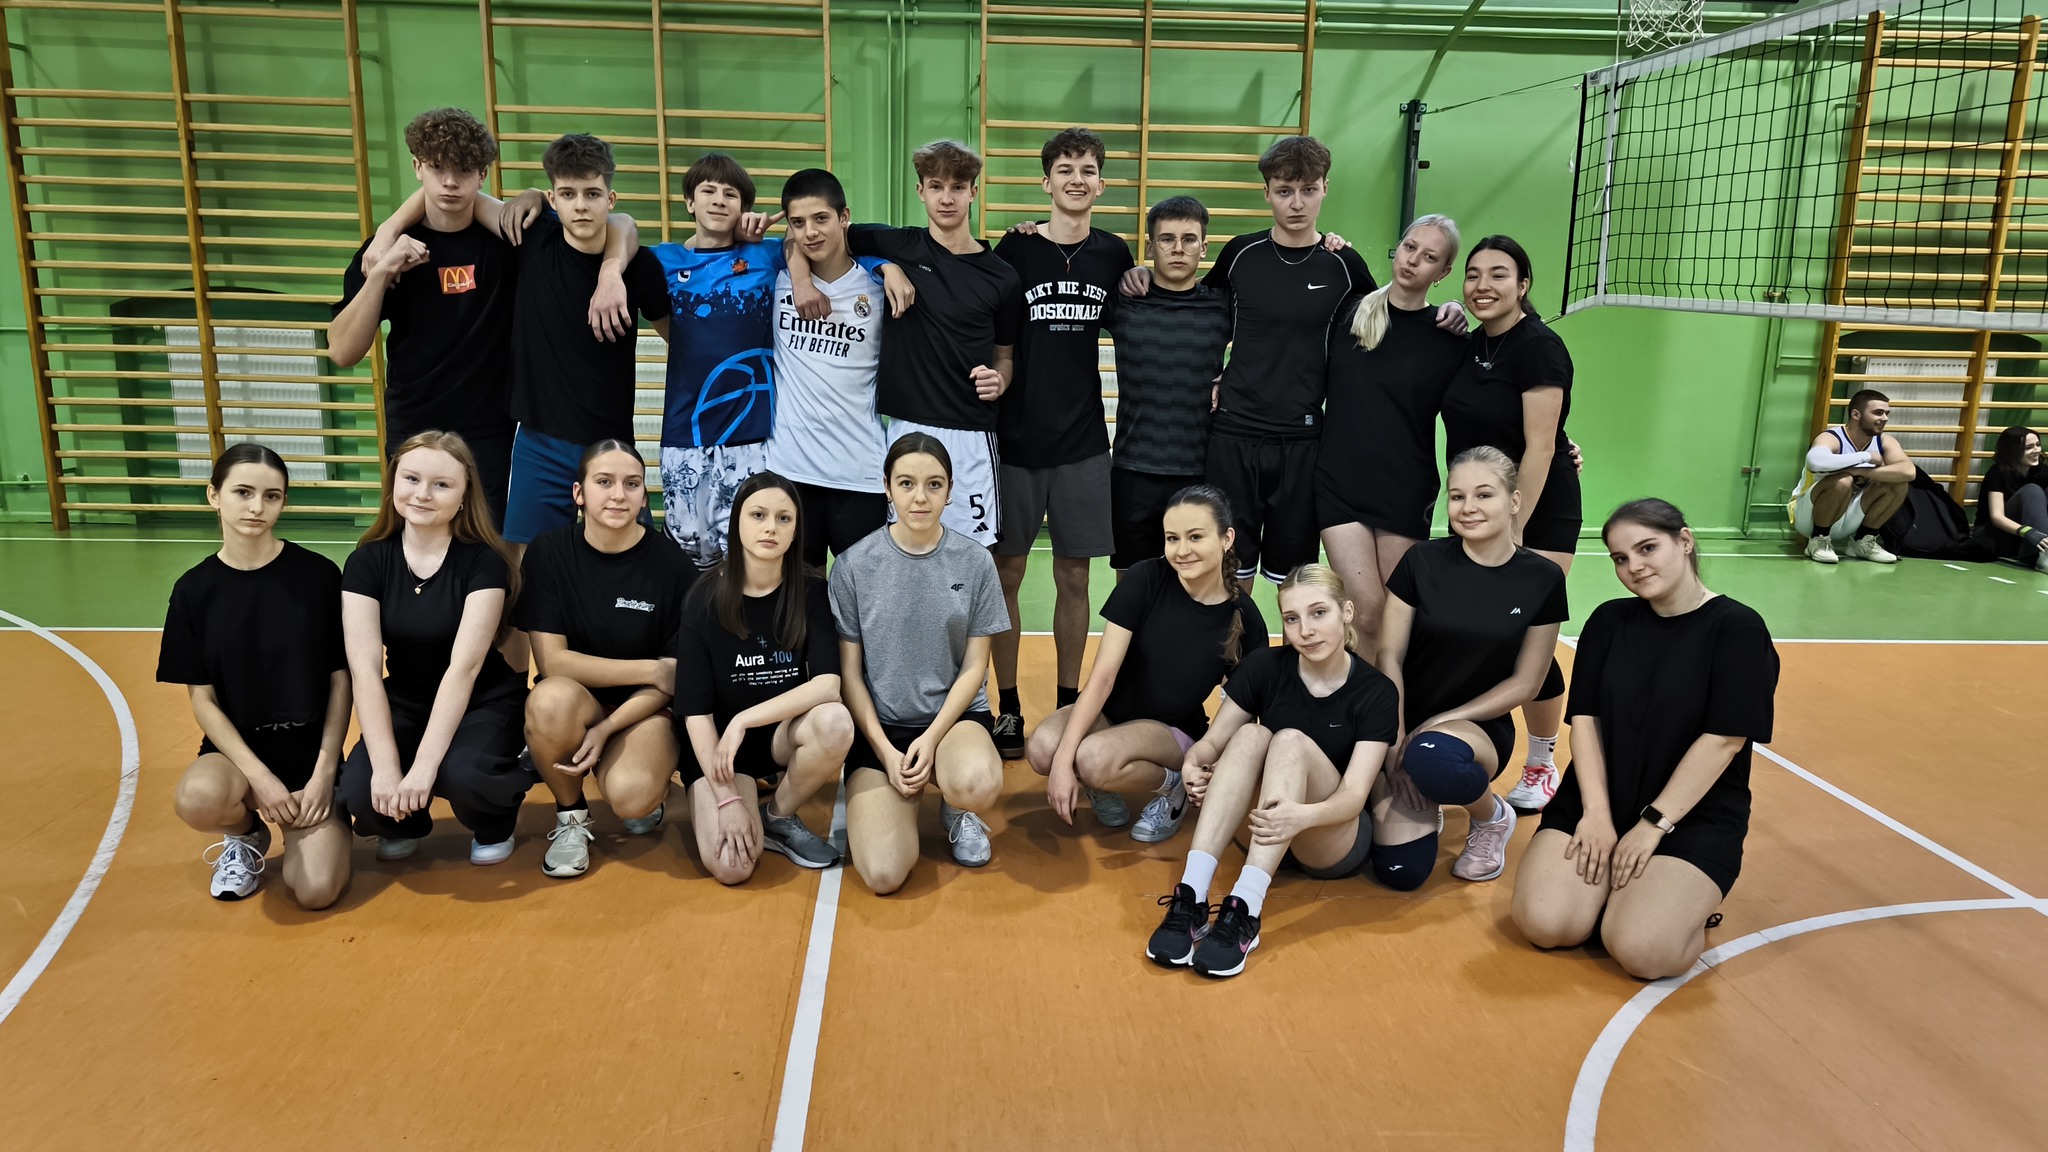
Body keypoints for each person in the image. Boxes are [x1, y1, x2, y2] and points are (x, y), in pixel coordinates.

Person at [1512, 499, 1779, 980]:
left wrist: (1653, 824)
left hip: (1689, 814)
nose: (1633, 566)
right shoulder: (1609, 621)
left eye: (1647, 548)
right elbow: (1585, 721)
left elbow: (1723, 741)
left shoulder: (1737, 629)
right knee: (1545, 924)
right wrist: (1596, 814)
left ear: (1685, 541)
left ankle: (1672, 905)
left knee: (1643, 951)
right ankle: (1619, 897)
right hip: (1600, 798)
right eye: (1620, 558)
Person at [1146, 564, 1398, 979]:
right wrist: (1194, 762)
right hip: (1264, 828)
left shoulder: (1376, 691)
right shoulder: (1264, 666)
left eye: (1319, 613)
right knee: (1249, 734)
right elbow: (1212, 743)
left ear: (1347, 612)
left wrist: (1301, 816)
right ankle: (1192, 895)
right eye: (1292, 619)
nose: (1306, 631)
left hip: (1328, 836)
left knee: (1288, 740)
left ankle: (1246, 907)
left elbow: (1354, 796)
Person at [986, 127, 1135, 758]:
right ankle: (1009, 706)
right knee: (1006, 574)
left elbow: (1147, 314)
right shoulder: (1016, 248)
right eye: (1065, 169)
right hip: (1015, 440)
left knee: (1075, 577)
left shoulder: (1115, 254)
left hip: (1083, 442)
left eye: (1088, 170)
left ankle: (1070, 702)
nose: (1077, 179)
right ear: (1046, 181)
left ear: (1101, 183)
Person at [797, 140, 1021, 549]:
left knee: (973, 554)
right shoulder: (896, 245)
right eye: (936, 186)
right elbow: (807, 238)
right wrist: (884, 265)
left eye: (957, 187)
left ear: (973, 191)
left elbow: (1004, 357)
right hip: (906, 427)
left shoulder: (1002, 277)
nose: (946, 198)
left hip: (971, 432)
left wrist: (1001, 379)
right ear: (921, 191)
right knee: (903, 550)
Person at [162, 444, 352, 907]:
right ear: (214, 495)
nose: (256, 507)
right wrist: (260, 779)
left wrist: (325, 772)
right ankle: (246, 834)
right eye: (243, 492)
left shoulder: (318, 576)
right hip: (238, 758)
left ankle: (314, 826)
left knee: (315, 891)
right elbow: (203, 699)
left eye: (271, 496)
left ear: (283, 501)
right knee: (197, 798)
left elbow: (341, 680)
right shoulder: (193, 591)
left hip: (309, 756)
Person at [1372, 448, 1568, 888]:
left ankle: (1491, 816)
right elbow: (1389, 656)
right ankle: (1428, 791)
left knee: (1432, 756)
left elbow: (1528, 682)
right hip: (1403, 721)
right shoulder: (1421, 561)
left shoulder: (1542, 578)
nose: (1468, 507)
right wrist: (1394, 739)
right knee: (1401, 872)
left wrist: (1443, 720)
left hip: (1476, 727)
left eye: (1484, 494)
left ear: (1514, 501)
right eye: (1457, 496)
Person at [1026, 484, 1267, 840]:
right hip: (1113, 713)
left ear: (1226, 538)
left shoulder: (1244, 617)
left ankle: (1173, 787)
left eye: (1196, 537)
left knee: (1092, 758)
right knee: (1043, 749)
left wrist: (1207, 763)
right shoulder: (1146, 578)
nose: (1182, 550)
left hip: (1172, 731)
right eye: (1172, 538)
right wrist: (1062, 762)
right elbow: (1103, 677)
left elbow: (1244, 709)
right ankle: (1101, 782)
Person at [338, 431, 534, 865]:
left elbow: (464, 669)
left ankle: (494, 820)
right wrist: (386, 769)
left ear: (464, 496)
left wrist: (425, 766)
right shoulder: (367, 561)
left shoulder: (484, 562)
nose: (423, 494)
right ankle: (402, 822)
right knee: (360, 789)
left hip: (482, 699)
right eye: (411, 479)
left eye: (442, 484)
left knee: (459, 774)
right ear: (393, 483)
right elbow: (365, 670)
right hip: (407, 699)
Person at [830, 432, 1011, 894]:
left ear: (949, 491)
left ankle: (956, 803)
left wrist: (931, 740)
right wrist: (886, 752)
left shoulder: (975, 563)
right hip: (882, 728)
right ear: (887, 488)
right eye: (906, 483)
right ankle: (896, 792)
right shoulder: (853, 566)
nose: (920, 497)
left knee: (977, 783)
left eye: (934, 485)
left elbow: (975, 667)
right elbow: (850, 674)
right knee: (884, 874)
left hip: (952, 723)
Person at [1440, 235, 1580, 813]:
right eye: (1473, 274)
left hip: (1536, 511)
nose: (1483, 286)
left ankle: (1543, 761)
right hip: (1477, 507)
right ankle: (1461, 750)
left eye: (1499, 274)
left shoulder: (1540, 346)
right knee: (1474, 634)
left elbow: (1542, 445)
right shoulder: (1471, 344)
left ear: (1523, 285)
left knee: (1528, 636)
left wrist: (1515, 526)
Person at [331, 108, 519, 528]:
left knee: (489, 545)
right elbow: (342, 351)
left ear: (482, 175)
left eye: (464, 170)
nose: (450, 182)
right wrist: (381, 272)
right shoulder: (383, 252)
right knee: (414, 540)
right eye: (437, 167)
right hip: (414, 423)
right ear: (417, 167)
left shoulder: (508, 246)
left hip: (490, 428)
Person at [518, 440, 697, 879]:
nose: (618, 495)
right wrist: (651, 668)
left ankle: (645, 777)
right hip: (576, 700)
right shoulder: (548, 553)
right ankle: (571, 816)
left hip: (642, 707)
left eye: (631, 484)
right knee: (548, 701)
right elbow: (554, 663)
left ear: (644, 497)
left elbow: (671, 682)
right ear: (579, 493)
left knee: (632, 798)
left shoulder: (673, 566)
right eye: (604, 482)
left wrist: (608, 727)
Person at [675, 472, 852, 882]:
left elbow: (828, 685)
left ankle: (778, 816)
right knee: (733, 867)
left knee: (835, 722)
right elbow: (695, 713)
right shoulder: (703, 599)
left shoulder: (811, 592)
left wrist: (744, 720)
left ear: (796, 531)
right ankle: (740, 795)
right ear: (737, 522)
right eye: (758, 515)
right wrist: (726, 800)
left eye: (783, 518)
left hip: (776, 739)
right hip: (720, 750)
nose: (771, 527)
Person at [1316, 214, 1466, 658]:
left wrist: (1560, 444)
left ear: (1443, 272)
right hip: (1338, 483)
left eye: (1429, 257)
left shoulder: (1450, 338)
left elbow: (1486, 405)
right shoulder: (1348, 312)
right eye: (1409, 247)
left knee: (1399, 616)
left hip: (1404, 488)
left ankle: (1395, 701)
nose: (1413, 260)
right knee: (1365, 611)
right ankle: (1369, 704)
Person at [653, 152, 787, 569]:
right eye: (708, 191)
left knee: (750, 559)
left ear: (744, 207)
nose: (718, 200)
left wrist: (885, 267)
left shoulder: (768, 255)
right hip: (685, 434)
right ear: (689, 202)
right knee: (688, 559)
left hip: (753, 437)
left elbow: (833, 242)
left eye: (730, 194)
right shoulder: (663, 261)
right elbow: (613, 237)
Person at [764, 168, 895, 568]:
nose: (810, 232)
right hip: (790, 470)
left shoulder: (879, 286)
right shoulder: (776, 280)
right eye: (798, 223)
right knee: (799, 594)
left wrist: (888, 266)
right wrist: (800, 277)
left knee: (863, 596)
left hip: (860, 473)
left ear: (844, 217)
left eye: (821, 218)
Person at [1101, 197, 1233, 576]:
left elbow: (1276, 339)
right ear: (1150, 246)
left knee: (1196, 583)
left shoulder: (1223, 306)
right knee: (1134, 584)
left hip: (1200, 471)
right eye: (1167, 239)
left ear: (1204, 248)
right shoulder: (1123, 303)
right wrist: (1030, 230)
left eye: (1189, 240)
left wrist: (1235, 373)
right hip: (1133, 470)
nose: (1178, 249)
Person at [1793, 388, 1911, 566]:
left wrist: (1860, 471)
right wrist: (1866, 457)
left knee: (1898, 483)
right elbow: (1815, 461)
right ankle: (1818, 539)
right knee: (1843, 481)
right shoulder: (1832, 437)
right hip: (1808, 516)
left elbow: (1908, 471)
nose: (1885, 418)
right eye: (1878, 412)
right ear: (1856, 414)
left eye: (1887, 413)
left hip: (1848, 516)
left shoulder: (1884, 441)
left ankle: (1862, 542)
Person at [1975, 426, 2048, 572]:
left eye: (2038, 445)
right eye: (2028, 447)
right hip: (1995, 535)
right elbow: (1997, 517)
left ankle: (2041, 551)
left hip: (2026, 539)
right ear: (2013, 451)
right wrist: (2027, 532)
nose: (2036, 450)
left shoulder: (2042, 471)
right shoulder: (1997, 473)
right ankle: (2044, 555)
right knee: (2032, 490)